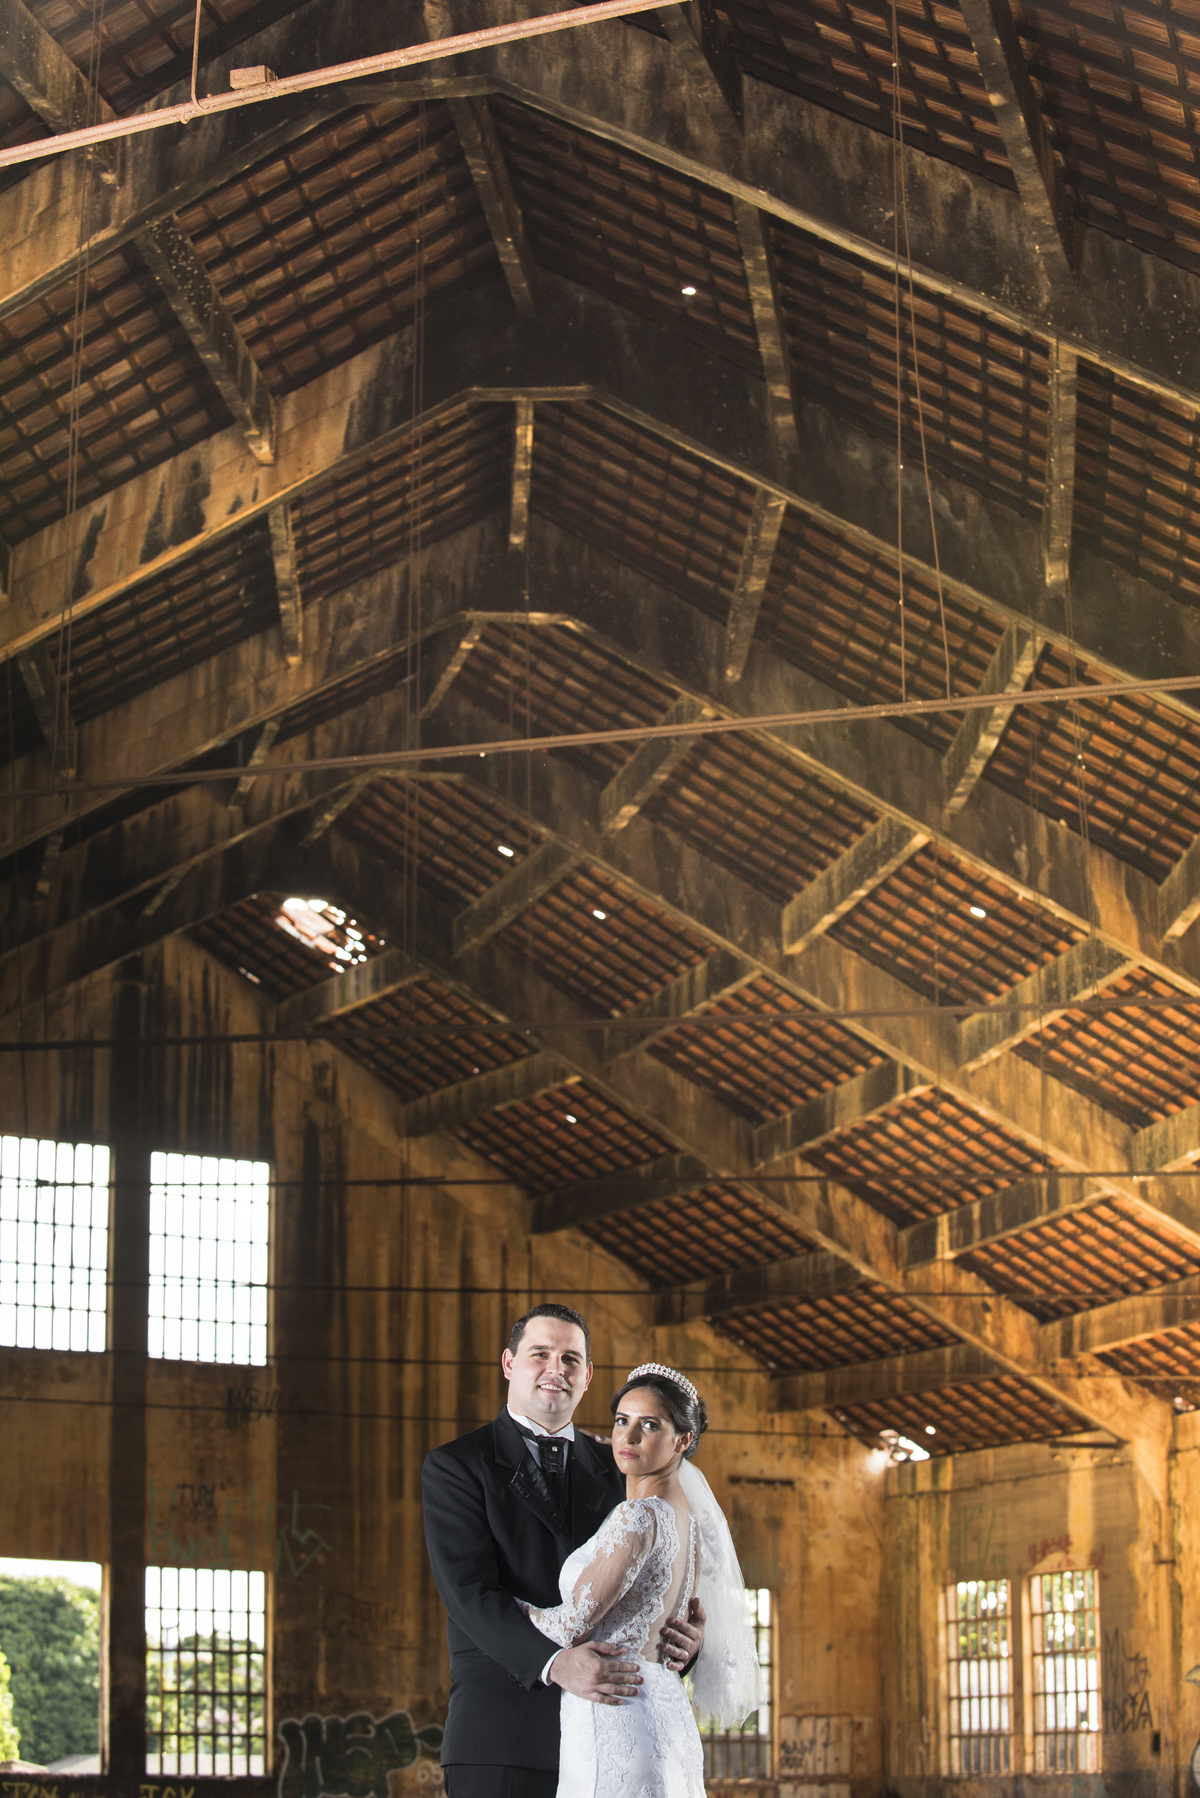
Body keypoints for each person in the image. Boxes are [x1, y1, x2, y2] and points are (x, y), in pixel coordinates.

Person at [421, 1305, 706, 1797]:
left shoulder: (624, 1466)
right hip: (504, 1739)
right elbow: (468, 1595)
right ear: (509, 1364)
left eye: (571, 1359)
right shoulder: (456, 1466)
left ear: (588, 1375)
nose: (557, 1369)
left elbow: (662, 1575)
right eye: (540, 1354)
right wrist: (554, 1662)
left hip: (612, 1733)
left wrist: (688, 1642)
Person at [516, 1363, 762, 1798]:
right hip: (665, 1710)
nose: (626, 1438)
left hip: (615, 1713)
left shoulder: (640, 1515)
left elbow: (571, 1625)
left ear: (683, 1439)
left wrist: (502, 1608)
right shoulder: (690, 1523)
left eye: (648, 1425)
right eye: (621, 1421)